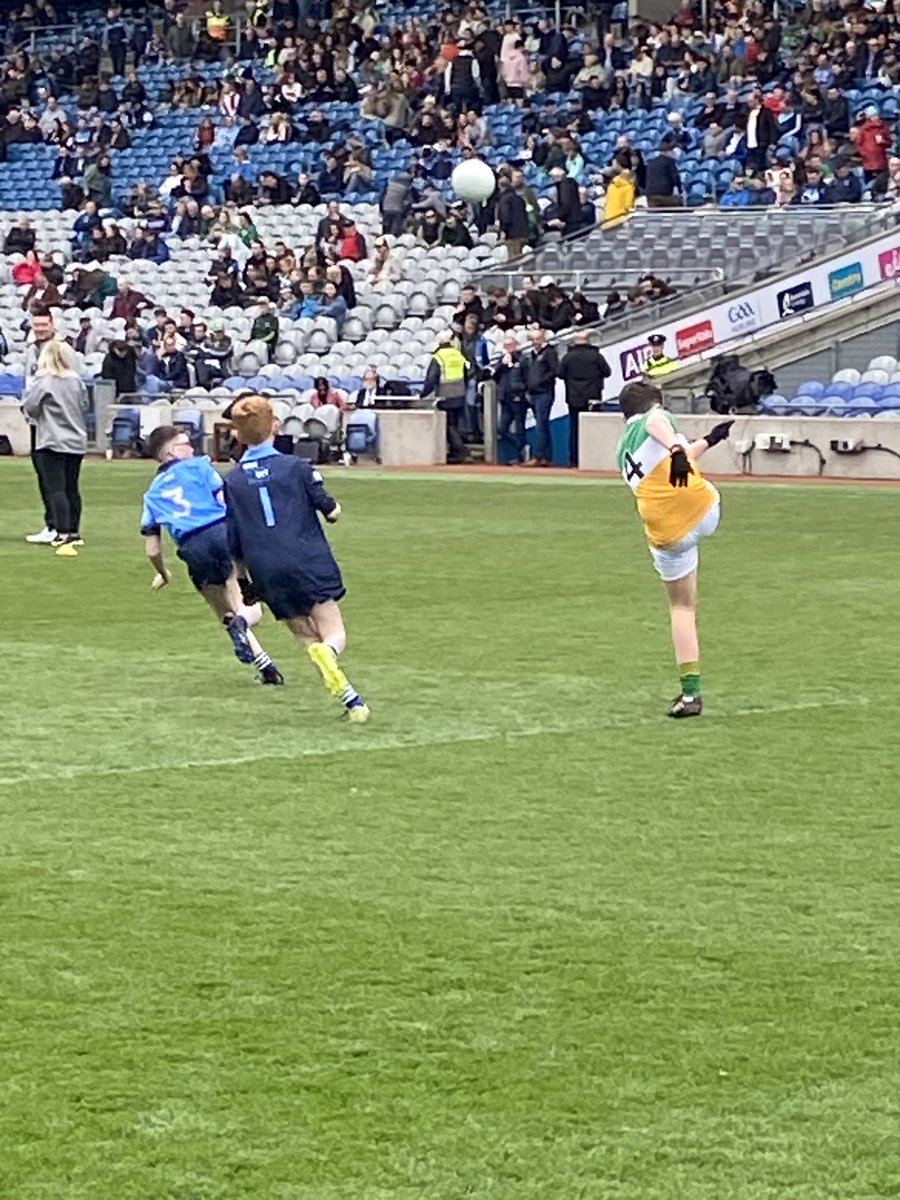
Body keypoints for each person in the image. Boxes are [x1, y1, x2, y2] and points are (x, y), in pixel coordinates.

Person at [222, 395, 369, 722]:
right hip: (307, 558)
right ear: (274, 426)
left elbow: (233, 542)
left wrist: (245, 582)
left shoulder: (230, 481)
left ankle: (352, 702)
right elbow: (331, 512)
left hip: (265, 569)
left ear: (240, 435)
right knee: (332, 631)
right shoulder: (297, 467)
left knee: (304, 634)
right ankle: (329, 652)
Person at [615, 380, 733, 718]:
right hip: (703, 510)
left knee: (681, 608)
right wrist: (678, 449)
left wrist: (708, 440)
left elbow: (670, 460)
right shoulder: (652, 419)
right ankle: (691, 693)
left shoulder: (622, 450)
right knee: (701, 489)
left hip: (666, 534)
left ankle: (691, 694)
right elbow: (657, 423)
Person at [140, 424, 283, 685]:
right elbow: (224, 501)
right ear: (171, 452)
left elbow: (152, 548)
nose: (192, 449)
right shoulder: (199, 466)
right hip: (222, 532)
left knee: (223, 611)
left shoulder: (152, 493)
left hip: (192, 547)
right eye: (186, 444)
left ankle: (266, 668)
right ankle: (246, 627)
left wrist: (163, 573)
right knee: (247, 605)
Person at [21, 339, 88, 557]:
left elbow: (31, 407)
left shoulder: (44, 380)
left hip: (52, 438)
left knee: (56, 488)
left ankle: (62, 531)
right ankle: (75, 531)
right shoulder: (76, 381)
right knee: (72, 487)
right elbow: (85, 405)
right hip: (76, 440)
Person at [23, 305, 60, 544]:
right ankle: (53, 523)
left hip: (54, 420)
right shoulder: (31, 350)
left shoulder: (59, 349)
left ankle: (58, 525)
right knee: (42, 471)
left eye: (43, 324)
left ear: (52, 324)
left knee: (54, 475)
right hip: (36, 417)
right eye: (36, 325)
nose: (39, 329)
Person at [559, 331, 611, 467]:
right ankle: (593, 459)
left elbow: (559, 373)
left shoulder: (568, 357)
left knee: (575, 430)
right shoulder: (596, 356)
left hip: (573, 397)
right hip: (593, 397)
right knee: (593, 430)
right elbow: (607, 372)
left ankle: (574, 460)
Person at [422, 330, 467, 465]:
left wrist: (423, 394)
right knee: (455, 424)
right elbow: (466, 371)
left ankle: (459, 452)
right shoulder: (458, 354)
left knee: (449, 426)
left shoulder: (438, 357)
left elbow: (431, 378)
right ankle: (455, 451)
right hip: (460, 393)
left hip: (445, 395)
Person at [522, 325, 559, 467]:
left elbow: (555, 370)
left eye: (537, 339)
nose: (535, 342)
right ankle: (546, 457)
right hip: (534, 393)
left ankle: (537, 456)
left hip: (544, 392)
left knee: (541, 425)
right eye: (533, 339)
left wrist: (542, 381)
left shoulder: (549, 353)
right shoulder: (531, 355)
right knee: (542, 425)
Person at [494, 335, 528, 465]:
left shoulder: (522, 359)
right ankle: (521, 445)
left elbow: (527, 377)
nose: (508, 348)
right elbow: (495, 376)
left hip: (518, 397)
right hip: (505, 398)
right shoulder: (501, 360)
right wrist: (503, 365)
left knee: (520, 427)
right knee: (501, 429)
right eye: (506, 346)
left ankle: (521, 457)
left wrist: (522, 390)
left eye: (510, 345)